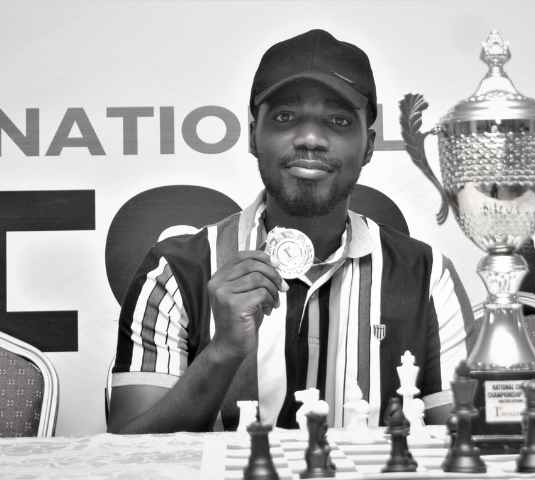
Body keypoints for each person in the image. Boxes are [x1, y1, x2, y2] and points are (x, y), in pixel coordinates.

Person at [107, 29, 475, 434]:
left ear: (369, 145)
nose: (310, 140)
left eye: (338, 121)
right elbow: (126, 450)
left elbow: (465, 446)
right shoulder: (176, 271)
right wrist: (223, 351)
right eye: (285, 117)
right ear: (253, 136)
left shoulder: (426, 275)